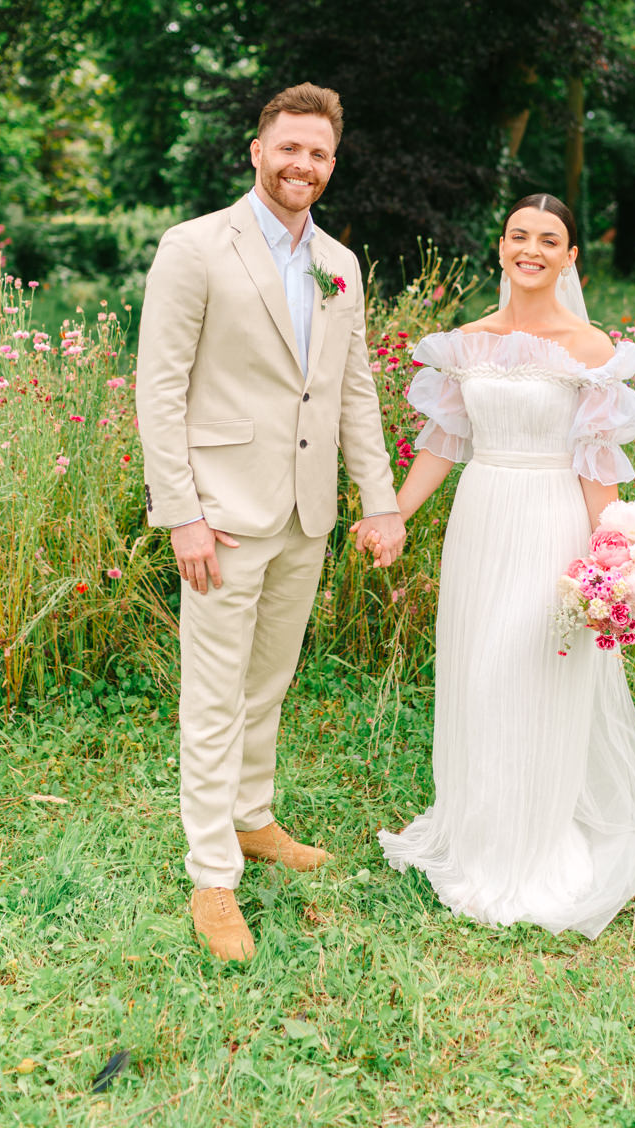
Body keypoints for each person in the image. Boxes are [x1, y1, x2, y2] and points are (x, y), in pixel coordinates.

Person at [371, 193, 635, 936]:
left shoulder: (588, 349)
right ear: (503, 246)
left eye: (550, 239)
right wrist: (395, 515)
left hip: (551, 524)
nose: (532, 249)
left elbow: (595, 464)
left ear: (571, 257)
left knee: (534, 672)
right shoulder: (467, 341)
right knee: (477, 674)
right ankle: (478, 833)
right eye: (520, 235)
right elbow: (445, 442)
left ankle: (533, 846)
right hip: (481, 520)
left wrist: (609, 561)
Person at [136, 82, 406, 963]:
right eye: (289, 148)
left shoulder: (340, 263)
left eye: (319, 153)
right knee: (212, 698)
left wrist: (380, 500)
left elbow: (353, 390)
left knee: (269, 681)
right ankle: (213, 876)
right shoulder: (194, 247)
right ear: (257, 150)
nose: (303, 165)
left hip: (306, 515)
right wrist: (182, 514)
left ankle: (251, 818)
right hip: (220, 515)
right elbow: (160, 390)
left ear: (333, 162)